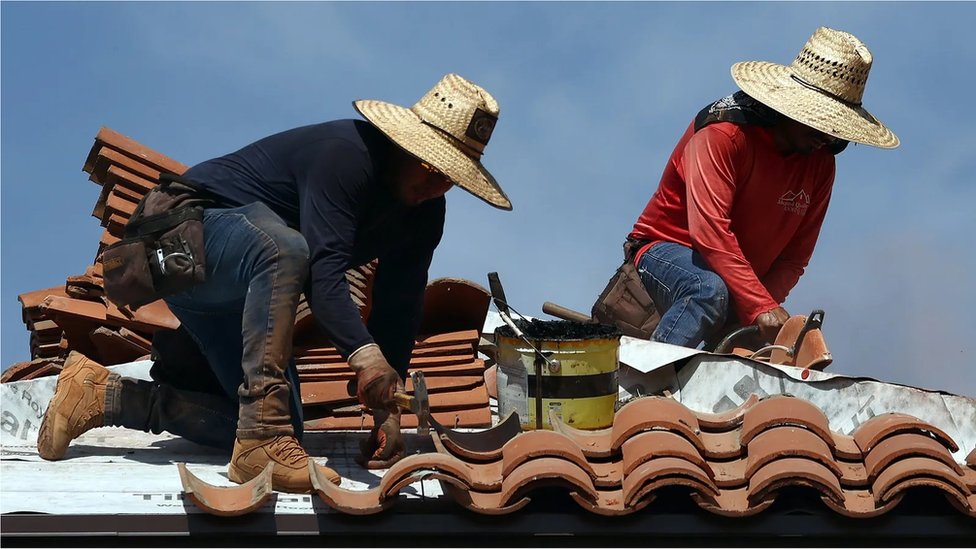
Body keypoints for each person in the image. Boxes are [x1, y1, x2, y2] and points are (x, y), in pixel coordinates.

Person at [36, 74, 512, 493]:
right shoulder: (347, 157)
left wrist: (388, 405)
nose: (437, 186)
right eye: (432, 168)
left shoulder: (425, 213)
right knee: (284, 249)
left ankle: (102, 396)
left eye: (450, 178)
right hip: (181, 244)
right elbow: (324, 275)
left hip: (234, 294)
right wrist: (365, 361)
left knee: (282, 427)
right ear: (405, 145)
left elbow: (399, 304)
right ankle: (262, 437)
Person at [627, 27, 898, 350]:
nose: (827, 137)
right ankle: (644, 378)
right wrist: (760, 305)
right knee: (707, 290)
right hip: (664, 251)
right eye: (821, 124)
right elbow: (709, 232)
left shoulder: (821, 163)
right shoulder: (724, 133)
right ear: (793, 105)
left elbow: (794, 258)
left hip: (735, 277)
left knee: (758, 351)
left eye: (835, 129)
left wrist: (755, 312)